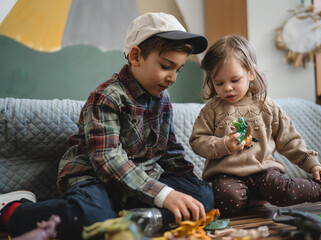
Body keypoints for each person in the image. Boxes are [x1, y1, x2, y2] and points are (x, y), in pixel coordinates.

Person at [0, 12, 214, 239]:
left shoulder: (162, 99)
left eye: (177, 70)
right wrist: (163, 195)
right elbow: (108, 159)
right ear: (135, 56)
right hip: (97, 178)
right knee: (89, 216)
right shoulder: (107, 97)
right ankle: (12, 210)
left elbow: (170, 151)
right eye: (165, 66)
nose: (172, 78)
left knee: (204, 198)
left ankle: (133, 217)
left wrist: (188, 187)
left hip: (142, 179)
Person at [189, 35, 321, 218]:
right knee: (228, 202)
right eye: (219, 83)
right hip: (227, 175)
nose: (227, 88)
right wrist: (224, 144)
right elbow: (198, 141)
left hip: (264, 170)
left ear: (250, 73)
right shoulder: (211, 110)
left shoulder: (266, 106)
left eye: (235, 80)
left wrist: (312, 164)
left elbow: (289, 140)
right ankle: (252, 199)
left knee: (284, 190)